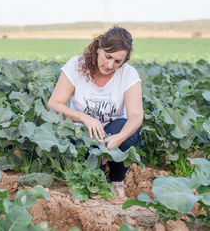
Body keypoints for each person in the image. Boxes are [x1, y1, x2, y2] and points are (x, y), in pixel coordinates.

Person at [47, 26, 143, 197]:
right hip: (82, 132)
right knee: (87, 165)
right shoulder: (76, 66)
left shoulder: (128, 74)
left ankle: (116, 179)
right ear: (99, 48)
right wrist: (84, 117)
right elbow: (54, 104)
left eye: (117, 62)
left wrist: (119, 138)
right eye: (108, 57)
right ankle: (96, 171)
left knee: (129, 133)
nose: (110, 65)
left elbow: (136, 116)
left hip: (112, 131)